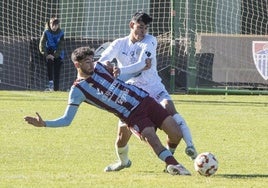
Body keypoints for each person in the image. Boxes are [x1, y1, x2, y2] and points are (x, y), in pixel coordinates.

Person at [24, 46, 191, 176]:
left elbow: (122, 78)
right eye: (87, 62)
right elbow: (67, 120)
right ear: (77, 64)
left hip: (144, 100)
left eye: (91, 60)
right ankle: (174, 165)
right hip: (131, 115)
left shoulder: (102, 67)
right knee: (150, 138)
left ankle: (166, 161)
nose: (91, 64)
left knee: (176, 133)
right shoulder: (77, 90)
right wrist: (44, 124)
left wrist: (137, 69)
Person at [98, 11, 198, 172]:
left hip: (154, 88)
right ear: (132, 25)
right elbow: (103, 59)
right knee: (121, 139)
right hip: (132, 95)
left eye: (145, 28)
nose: (143, 32)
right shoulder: (119, 43)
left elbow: (143, 64)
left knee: (172, 118)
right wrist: (109, 66)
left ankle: (190, 151)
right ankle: (123, 162)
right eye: (140, 28)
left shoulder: (150, 40)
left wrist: (119, 70)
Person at [39, 16, 64, 91]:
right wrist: (46, 55)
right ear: (50, 24)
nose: (54, 26)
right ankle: (50, 84)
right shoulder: (46, 32)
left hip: (58, 53)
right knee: (49, 63)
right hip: (49, 52)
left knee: (57, 70)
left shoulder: (61, 33)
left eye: (56, 25)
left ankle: (56, 88)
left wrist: (55, 55)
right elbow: (42, 44)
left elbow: (60, 46)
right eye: (53, 24)